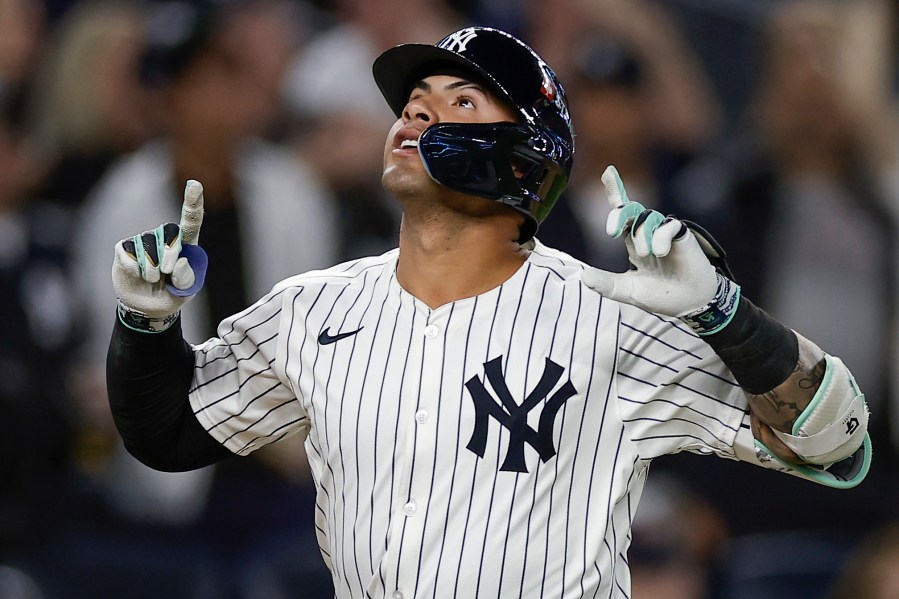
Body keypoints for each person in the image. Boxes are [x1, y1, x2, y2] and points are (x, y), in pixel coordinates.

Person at [105, 27, 871, 598]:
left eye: (458, 103)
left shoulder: (605, 318)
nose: (415, 116)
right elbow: (170, 432)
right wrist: (147, 327)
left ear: (521, 157)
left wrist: (723, 314)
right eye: (412, 104)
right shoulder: (312, 307)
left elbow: (832, 441)